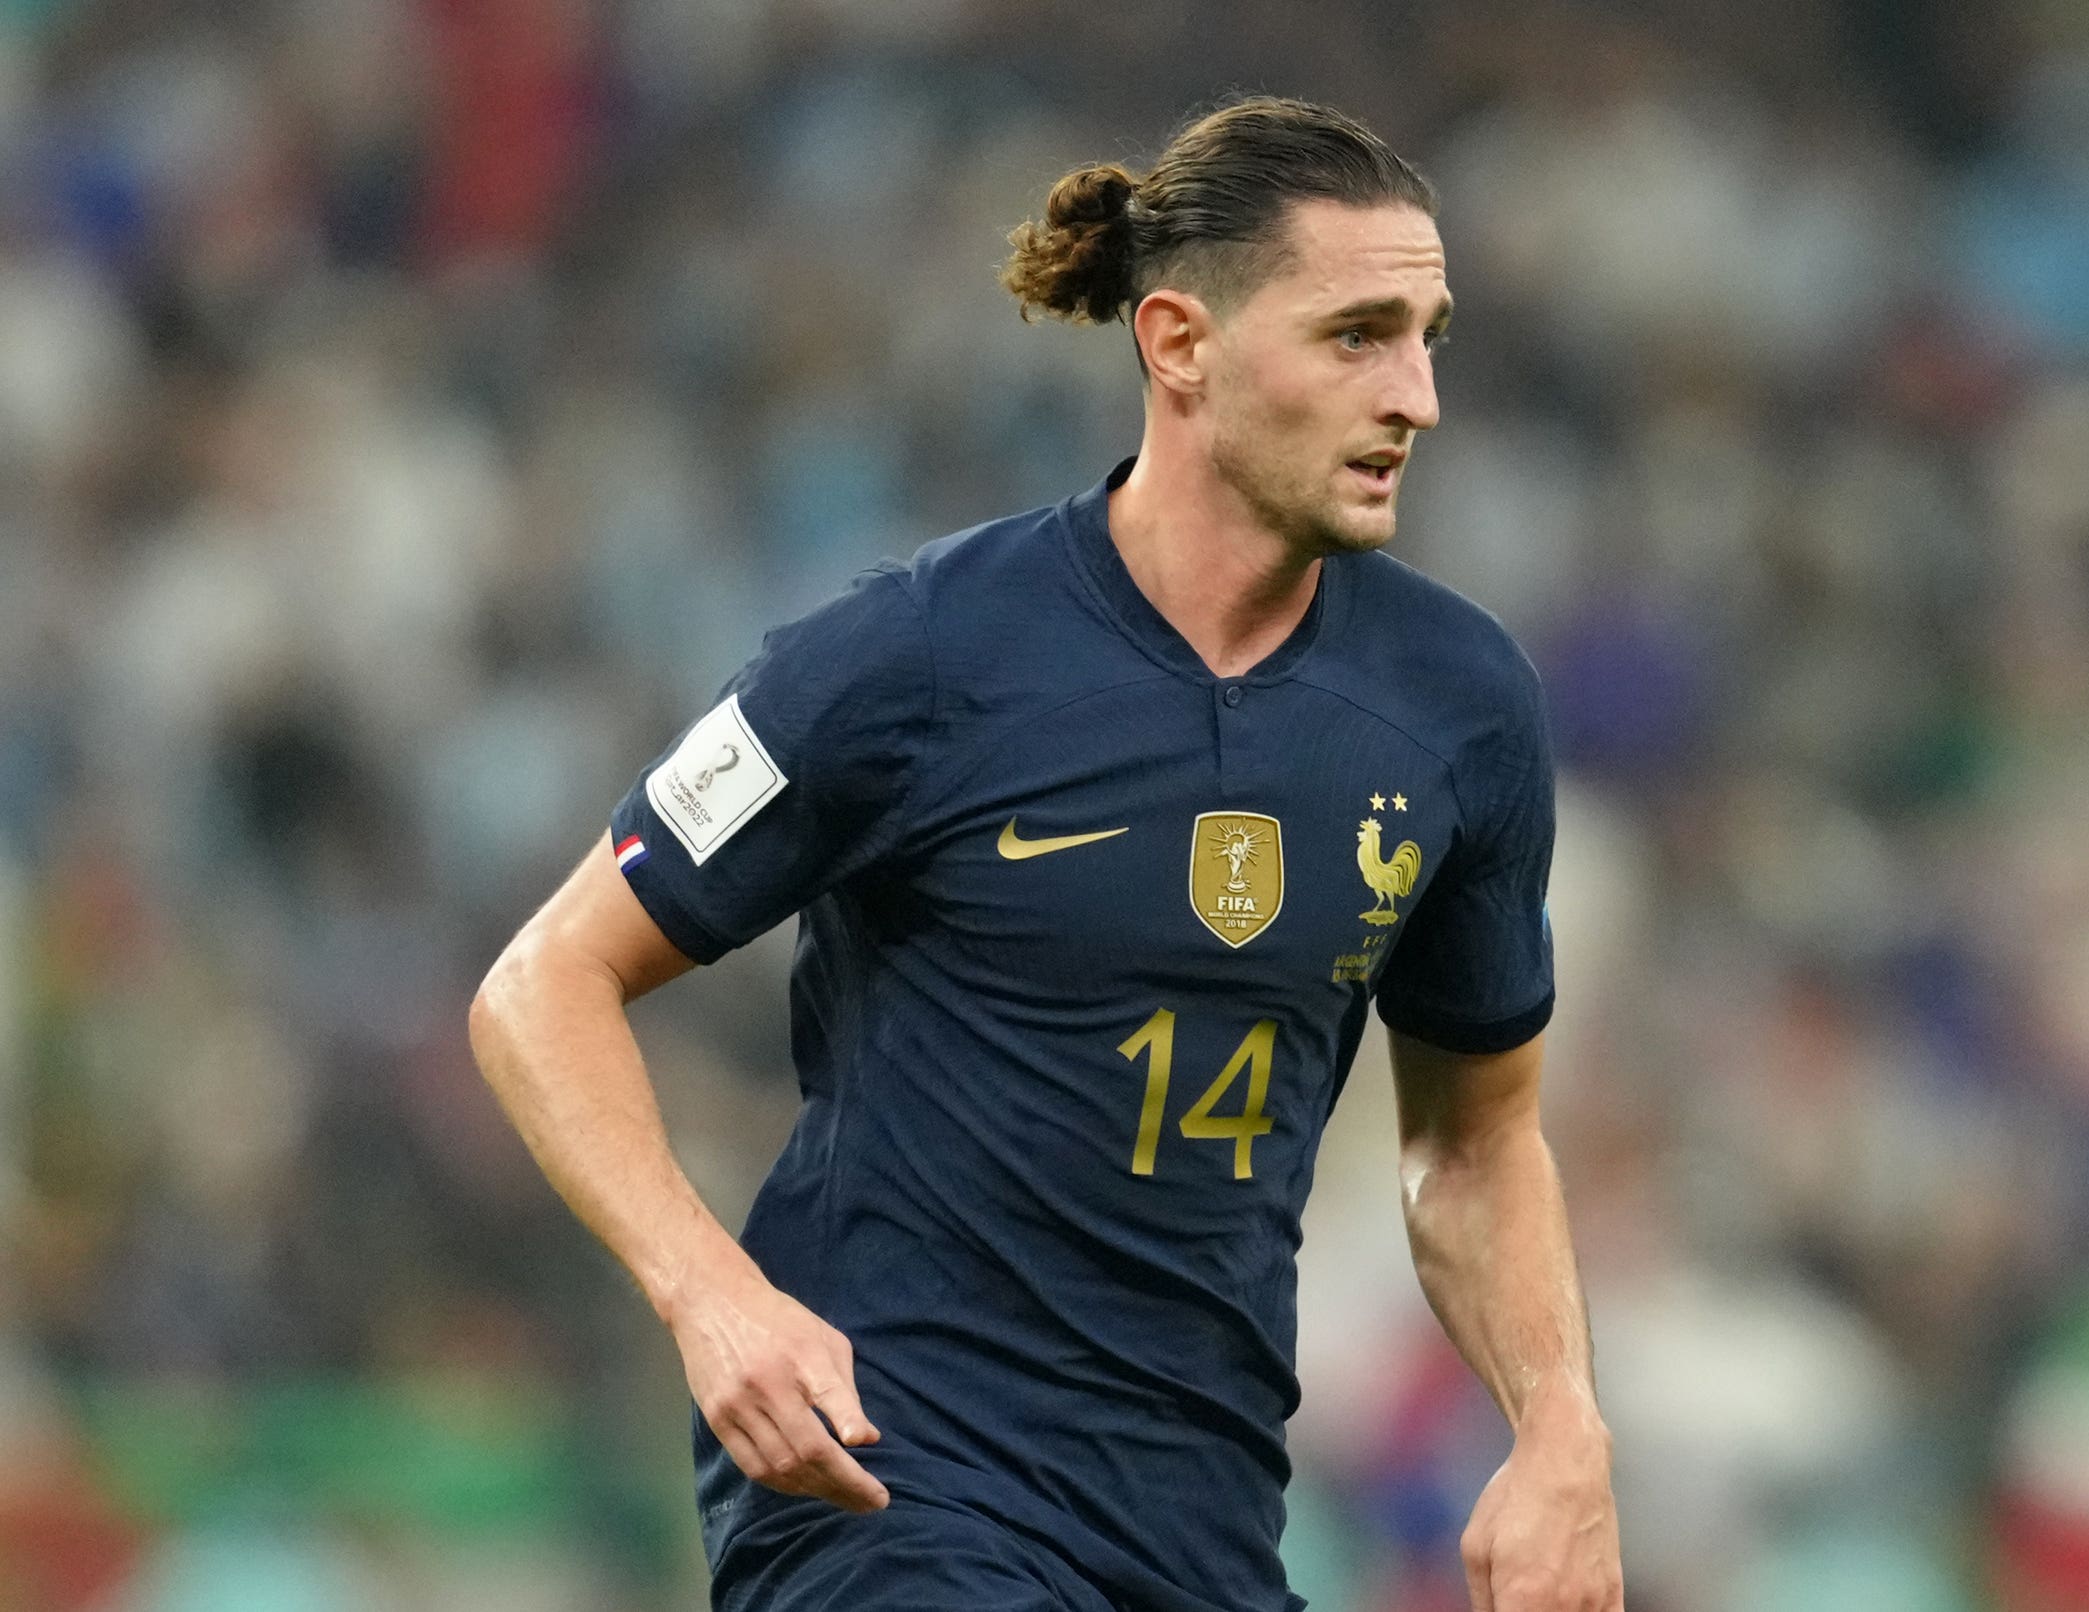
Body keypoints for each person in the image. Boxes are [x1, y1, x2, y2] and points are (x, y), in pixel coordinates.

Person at [468, 95, 1623, 1612]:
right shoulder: (915, 658)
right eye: (1356, 334)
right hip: (888, 1478)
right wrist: (714, 1299)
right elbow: (543, 985)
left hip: (1197, 1520)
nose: (1414, 394)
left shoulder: (1456, 709)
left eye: (1427, 335)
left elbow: (1467, 1145)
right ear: (1176, 343)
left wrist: (1558, 1431)